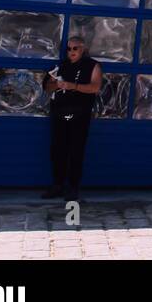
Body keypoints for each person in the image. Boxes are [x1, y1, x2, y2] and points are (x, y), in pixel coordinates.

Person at [42, 34, 102, 203]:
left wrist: (73, 86)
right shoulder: (62, 65)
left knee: (76, 151)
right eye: (69, 49)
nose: (71, 52)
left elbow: (95, 87)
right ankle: (57, 185)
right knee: (57, 150)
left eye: (75, 48)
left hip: (79, 115)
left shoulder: (93, 65)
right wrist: (56, 84)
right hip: (59, 114)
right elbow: (47, 87)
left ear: (83, 49)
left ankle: (73, 188)